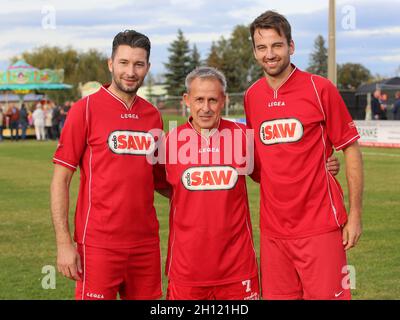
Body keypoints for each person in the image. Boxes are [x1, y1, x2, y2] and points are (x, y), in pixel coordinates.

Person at [162, 67, 341, 300]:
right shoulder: (169, 142)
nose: (205, 108)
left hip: (238, 269)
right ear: (186, 100)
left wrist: (319, 165)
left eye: (213, 100)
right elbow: (158, 183)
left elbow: (277, 168)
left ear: (224, 101)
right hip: (186, 269)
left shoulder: (243, 137)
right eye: (199, 100)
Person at [245, 11, 363, 300]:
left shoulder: (319, 88)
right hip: (273, 232)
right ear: (254, 51)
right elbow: (258, 162)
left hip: (320, 226)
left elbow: (350, 149)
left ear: (291, 46)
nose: (270, 54)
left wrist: (356, 214)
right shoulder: (252, 96)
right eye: (262, 47)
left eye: (277, 45)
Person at [50, 30, 167, 300]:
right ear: (110, 64)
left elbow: (161, 180)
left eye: (139, 64)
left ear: (147, 67)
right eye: (124, 63)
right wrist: (63, 243)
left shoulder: (153, 115)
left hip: (145, 244)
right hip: (98, 244)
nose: (131, 71)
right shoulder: (85, 110)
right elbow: (60, 180)